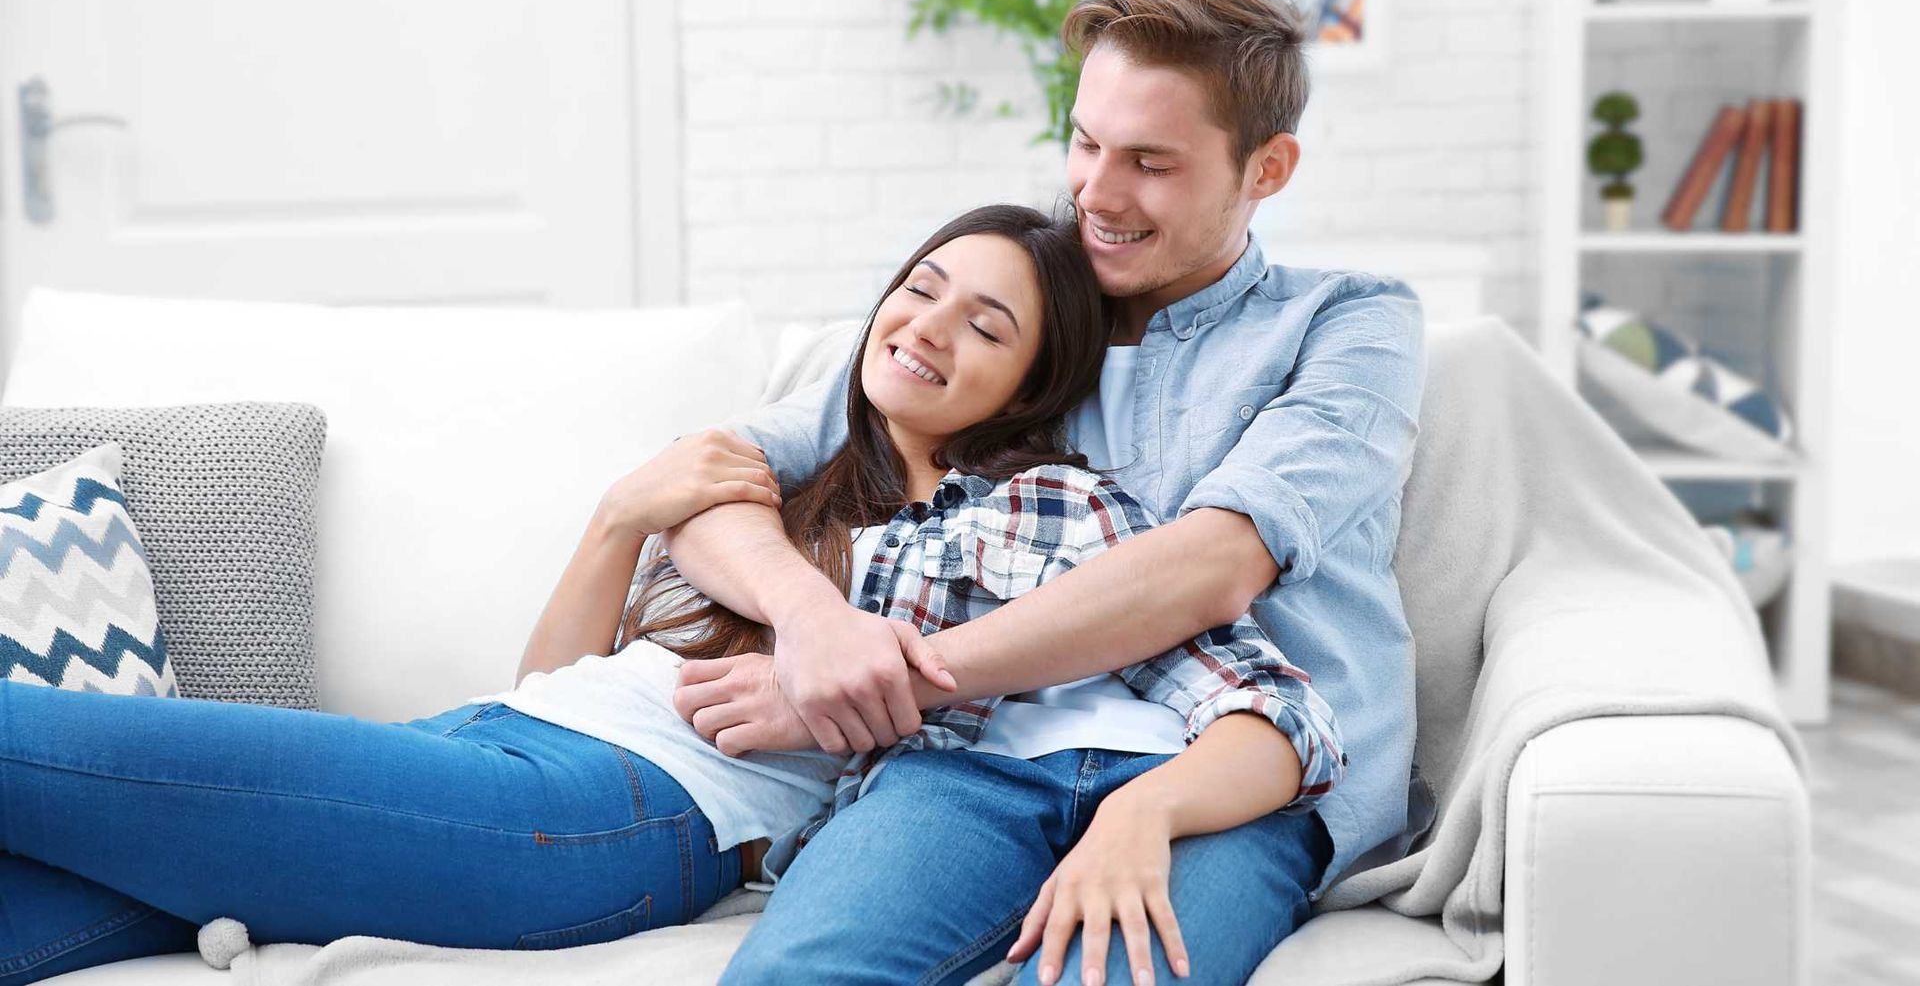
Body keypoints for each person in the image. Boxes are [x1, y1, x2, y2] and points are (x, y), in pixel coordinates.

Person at [0, 203, 1335, 986]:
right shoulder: (784, 492)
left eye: (985, 325)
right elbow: (541, 687)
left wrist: (842, 683)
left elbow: (1142, 686)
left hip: (618, 814)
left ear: (1033, 383)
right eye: (920, 290)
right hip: (501, 748)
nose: (927, 327)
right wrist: (614, 520)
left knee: (34, 736)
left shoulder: (1039, 513)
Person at [668, 0, 1427, 986]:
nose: (1096, 194)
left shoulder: (1348, 321)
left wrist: (879, 684)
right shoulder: (1017, 305)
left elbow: (1213, 566)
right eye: (1085, 142)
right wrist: (814, 628)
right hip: (973, 757)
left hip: (1229, 777)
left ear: (1268, 168)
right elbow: (709, 478)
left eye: (1150, 163)